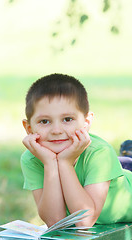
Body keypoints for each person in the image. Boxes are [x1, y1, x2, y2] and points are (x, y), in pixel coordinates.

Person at [21, 73, 132, 228]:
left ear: (86, 122)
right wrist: (50, 163)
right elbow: (55, 222)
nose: (57, 130)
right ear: (29, 128)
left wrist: (65, 163)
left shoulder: (100, 153)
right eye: (44, 121)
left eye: (67, 119)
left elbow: (84, 221)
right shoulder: (33, 158)